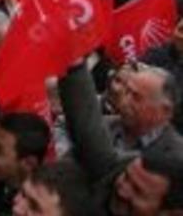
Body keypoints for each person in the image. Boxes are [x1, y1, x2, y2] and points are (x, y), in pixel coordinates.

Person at [59, 60, 183, 214]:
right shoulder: (105, 123)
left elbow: (101, 159)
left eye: (136, 97)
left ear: (165, 110)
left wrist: (75, 67)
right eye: (127, 92)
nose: (124, 100)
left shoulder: (177, 156)